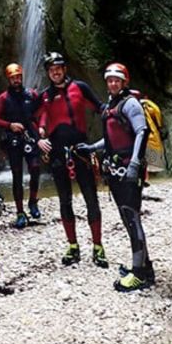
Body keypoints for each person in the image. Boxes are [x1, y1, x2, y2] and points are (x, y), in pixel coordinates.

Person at [76, 62, 155, 291]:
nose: (112, 83)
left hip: (128, 170)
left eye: (116, 80)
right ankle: (144, 267)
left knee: (132, 219)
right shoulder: (113, 104)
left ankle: (138, 273)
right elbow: (112, 140)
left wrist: (134, 164)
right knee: (128, 218)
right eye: (109, 80)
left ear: (124, 82)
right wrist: (91, 148)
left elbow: (142, 131)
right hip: (117, 170)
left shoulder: (130, 104)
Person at [36, 52, 108, 268]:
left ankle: (98, 246)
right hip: (58, 153)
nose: (55, 72)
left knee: (91, 199)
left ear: (64, 68)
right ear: (48, 73)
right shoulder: (45, 96)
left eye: (58, 67)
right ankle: (73, 246)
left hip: (81, 151)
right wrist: (38, 140)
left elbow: (101, 108)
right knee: (64, 200)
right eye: (51, 69)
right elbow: (28, 118)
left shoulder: (80, 88)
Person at [0, 63, 42, 228]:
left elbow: (41, 111)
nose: (16, 80)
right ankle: (20, 212)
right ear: (9, 79)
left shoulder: (31, 94)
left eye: (18, 77)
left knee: (35, 168)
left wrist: (41, 126)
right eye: (13, 78)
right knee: (17, 174)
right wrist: (10, 125)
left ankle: (33, 201)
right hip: (13, 139)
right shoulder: (3, 98)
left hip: (31, 137)